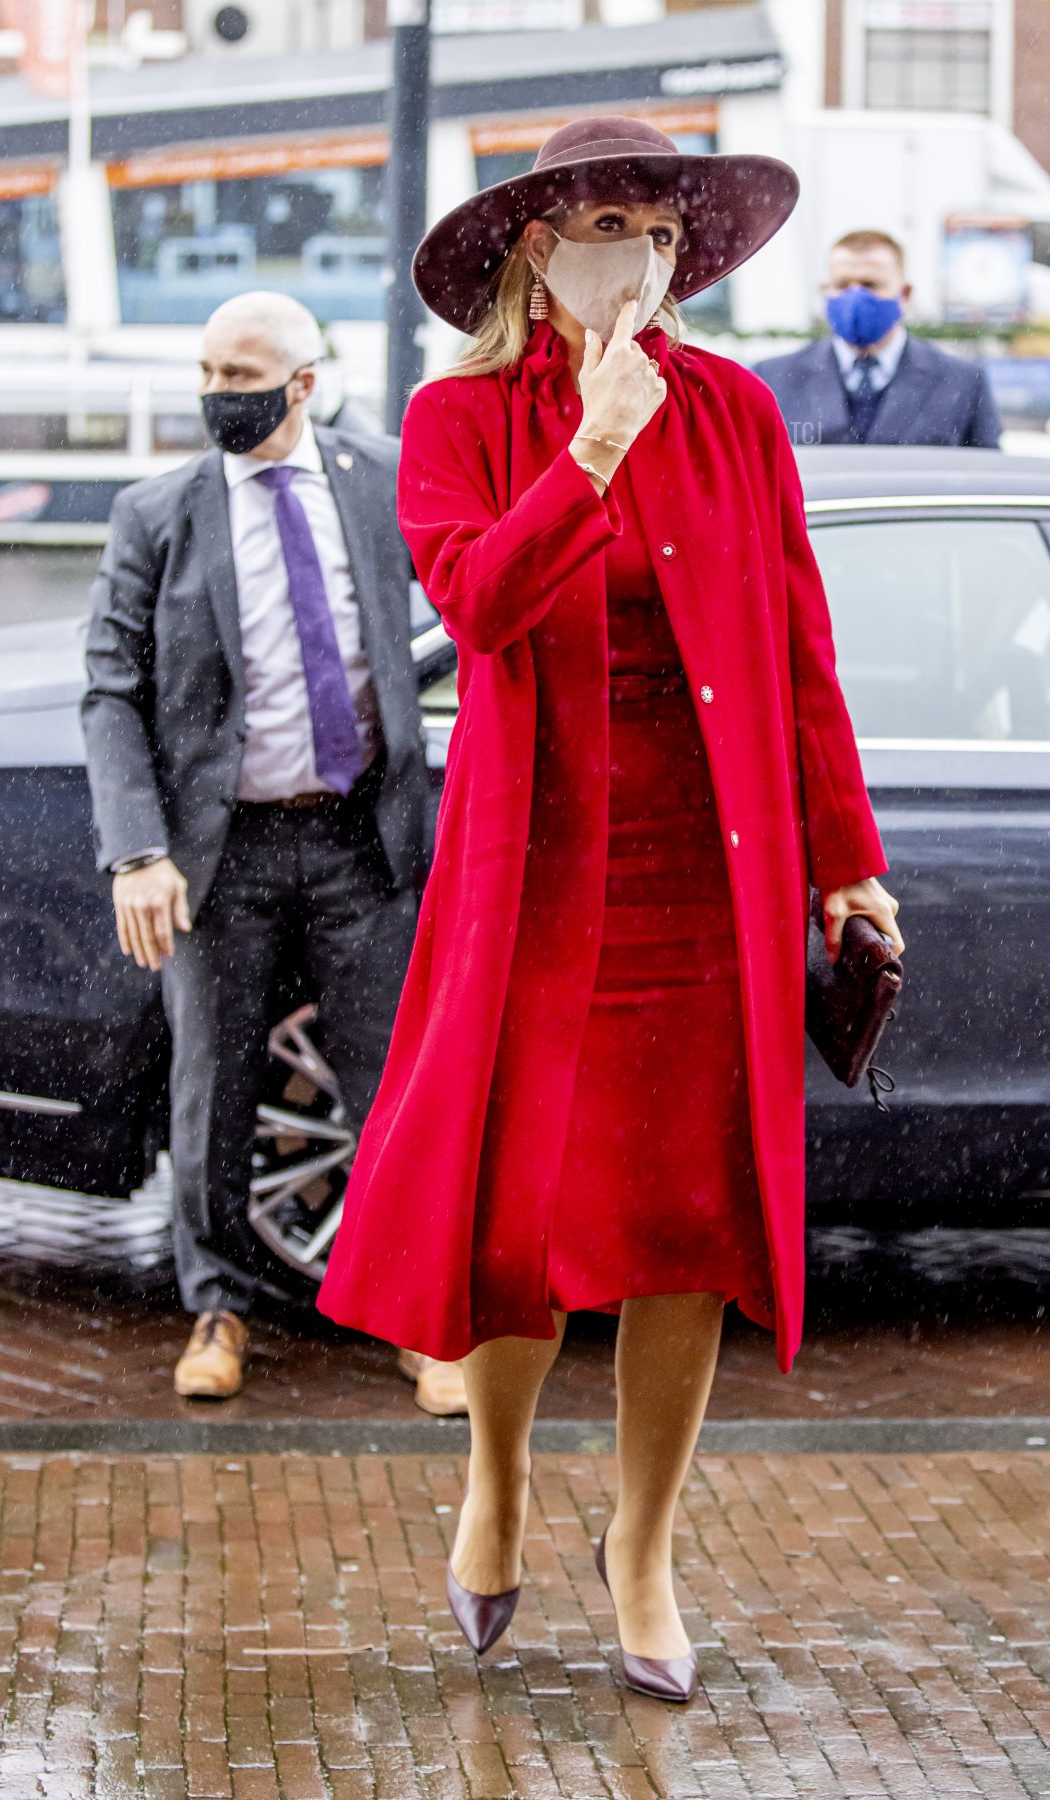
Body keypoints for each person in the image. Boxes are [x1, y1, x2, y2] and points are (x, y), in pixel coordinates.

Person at [317, 117, 904, 1699]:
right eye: (599, 222)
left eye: (655, 228)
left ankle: (641, 1544)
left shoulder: (738, 414)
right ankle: (497, 1488)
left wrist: (847, 854)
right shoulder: (459, 421)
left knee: (689, 1229)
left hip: (711, 869)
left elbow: (797, 641)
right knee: (526, 1212)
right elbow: (480, 607)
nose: (631, 254)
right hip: (542, 867)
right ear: (533, 245)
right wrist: (587, 447)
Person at [82, 290, 465, 1415]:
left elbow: (466, 606)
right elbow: (110, 692)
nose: (216, 396)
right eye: (203, 372)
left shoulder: (383, 482)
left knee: (393, 1083)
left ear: (303, 384)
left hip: (361, 839)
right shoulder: (158, 513)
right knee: (213, 1085)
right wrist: (136, 850)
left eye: (239, 377)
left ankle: (414, 1318)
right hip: (221, 853)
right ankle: (218, 1308)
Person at [755, 229, 1000, 448]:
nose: (855, 296)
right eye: (842, 285)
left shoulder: (962, 383)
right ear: (825, 291)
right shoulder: (773, 380)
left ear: (904, 295)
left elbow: (986, 480)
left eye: (870, 284)